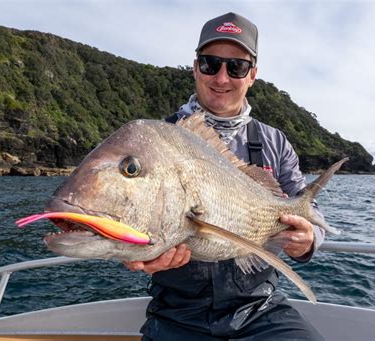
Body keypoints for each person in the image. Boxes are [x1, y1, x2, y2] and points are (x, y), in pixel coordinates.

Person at [125, 12, 325, 340]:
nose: (221, 78)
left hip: (259, 307)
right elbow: (131, 215)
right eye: (210, 64)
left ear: (252, 75)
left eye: (236, 67)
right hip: (178, 313)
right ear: (195, 67)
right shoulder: (157, 140)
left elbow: (310, 211)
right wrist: (138, 254)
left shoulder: (275, 142)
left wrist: (307, 241)